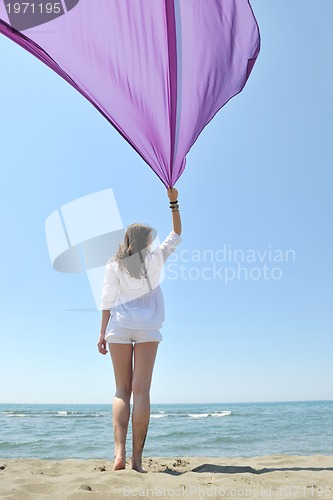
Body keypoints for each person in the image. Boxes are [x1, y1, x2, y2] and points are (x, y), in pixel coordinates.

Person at [97, 187, 182, 473]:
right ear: (146, 240)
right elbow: (177, 234)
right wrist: (173, 201)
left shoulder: (114, 264)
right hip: (147, 329)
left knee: (121, 390)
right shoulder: (156, 259)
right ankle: (136, 462)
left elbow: (107, 301)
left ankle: (118, 454)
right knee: (141, 390)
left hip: (119, 328)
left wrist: (101, 333)